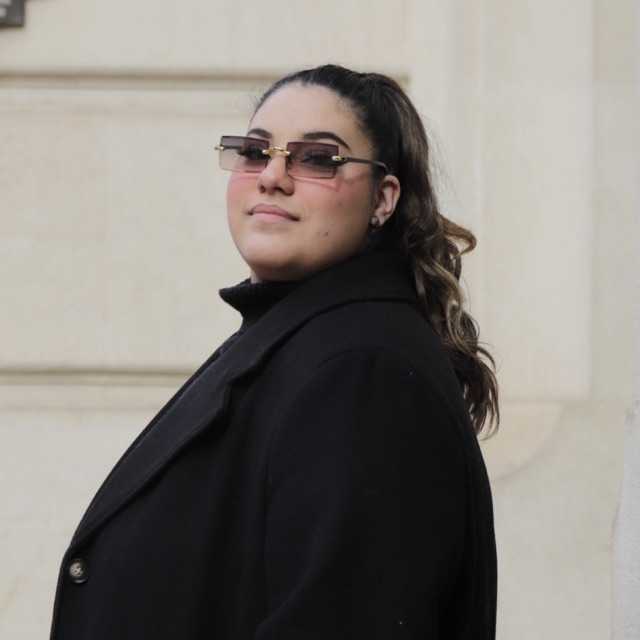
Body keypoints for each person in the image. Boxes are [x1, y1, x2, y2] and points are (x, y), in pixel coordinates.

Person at [48, 63, 499, 640]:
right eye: (255, 152)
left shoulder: (364, 372)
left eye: (318, 159)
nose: (272, 177)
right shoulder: (297, 342)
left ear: (383, 199)